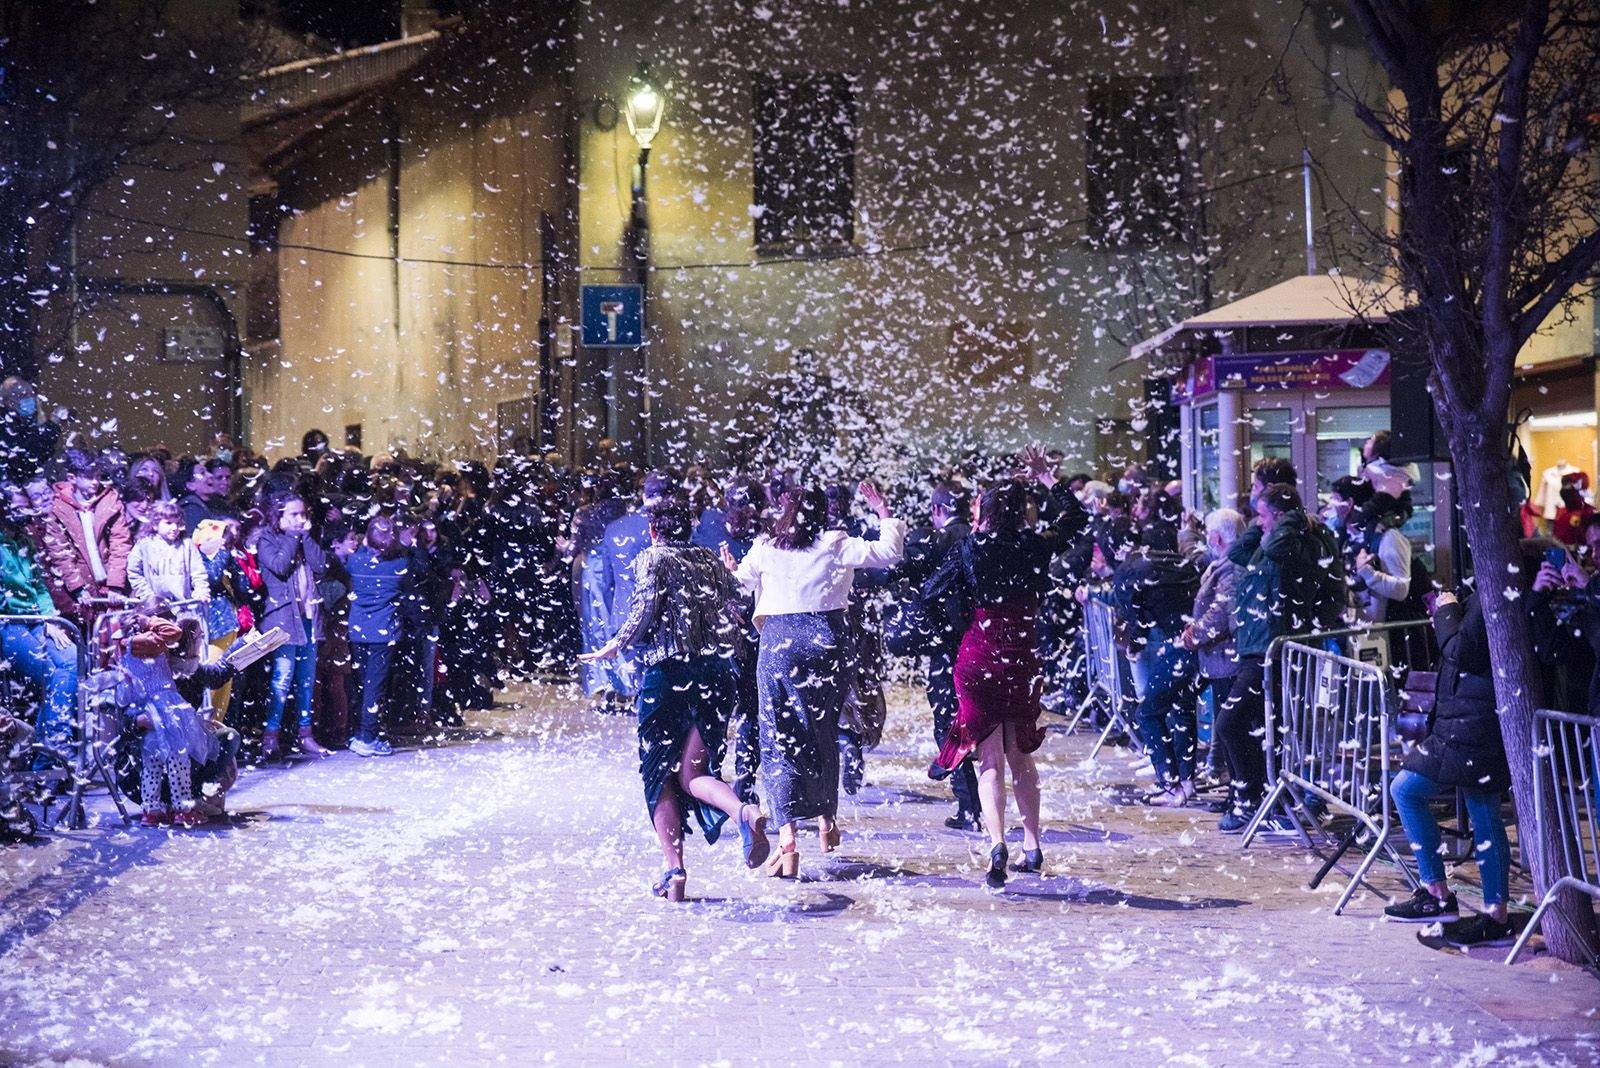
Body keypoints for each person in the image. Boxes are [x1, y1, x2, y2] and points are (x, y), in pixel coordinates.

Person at [581, 498, 769, 901]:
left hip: (670, 676)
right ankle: (744, 812)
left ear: (653, 530)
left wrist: (613, 646)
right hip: (718, 674)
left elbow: (643, 609)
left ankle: (674, 870)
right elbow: (736, 604)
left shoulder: (653, 559)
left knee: (657, 775)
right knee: (695, 774)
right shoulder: (709, 558)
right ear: (690, 527)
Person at [726, 480, 905, 878]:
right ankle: (827, 820)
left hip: (779, 645)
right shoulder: (835, 543)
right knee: (822, 732)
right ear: (823, 512)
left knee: (777, 738)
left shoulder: (767, 547)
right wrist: (884, 511)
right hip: (827, 642)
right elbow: (890, 552)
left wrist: (730, 568)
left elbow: (740, 583)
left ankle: (788, 841)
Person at [929, 447, 1087, 889]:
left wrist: (961, 619)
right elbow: (1076, 522)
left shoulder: (969, 547)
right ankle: (1032, 844)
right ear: (1022, 512)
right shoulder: (1035, 543)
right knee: (1021, 754)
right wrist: (1049, 480)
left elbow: (929, 592)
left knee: (990, 759)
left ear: (987, 512)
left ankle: (997, 842)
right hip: (1022, 654)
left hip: (979, 652)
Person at [1382, 586, 1514, 947]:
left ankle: (1495, 915)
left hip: (1478, 724)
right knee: (1405, 789)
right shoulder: (1486, 593)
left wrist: (1446, 611)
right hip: (1460, 724)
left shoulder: (1496, 594)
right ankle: (1438, 895)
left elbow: (1460, 649)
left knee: (1483, 811)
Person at [1217, 479, 1347, 832]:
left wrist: (1292, 518)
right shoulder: (1269, 540)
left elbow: (1276, 548)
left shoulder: (1294, 541)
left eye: (1262, 516)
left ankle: (1251, 799)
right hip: (1256, 647)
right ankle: (1261, 799)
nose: (1258, 523)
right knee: (1263, 729)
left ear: (1279, 515)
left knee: (1230, 725)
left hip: (1274, 650)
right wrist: (1263, 522)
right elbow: (1237, 554)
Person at [901, 481, 981, 829]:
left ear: (937, 510)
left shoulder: (938, 541)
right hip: (982, 642)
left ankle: (969, 806)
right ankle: (983, 804)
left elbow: (915, 582)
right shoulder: (979, 539)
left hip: (947, 644)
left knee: (947, 721)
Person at [1110, 525, 1202, 807]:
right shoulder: (1183, 565)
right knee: (1182, 708)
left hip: (1179, 645)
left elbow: (1136, 620)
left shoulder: (1130, 570)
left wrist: (1134, 648)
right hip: (1203, 645)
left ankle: (1171, 784)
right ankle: (1186, 782)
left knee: (1148, 711)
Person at [0, 494, 80, 755]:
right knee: (53, 672)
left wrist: (50, 620)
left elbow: (40, 586)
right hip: (8, 623)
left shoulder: (24, 540)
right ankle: (54, 748)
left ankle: (49, 751)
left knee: (69, 657)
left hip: (34, 620)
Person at [256, 494, 329, 760]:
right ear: (279, 516)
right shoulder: (267, 538)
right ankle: (270, 737)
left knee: (306, 681)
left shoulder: (303, 538)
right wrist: (294, 537)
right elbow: (280, 566)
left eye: (303, 514)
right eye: (294, 515)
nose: (301, 520)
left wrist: (306, 538)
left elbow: (321, 566)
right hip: (283, 620)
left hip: (309, 618)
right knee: (281, 680)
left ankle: (305, 735)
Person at [1179, 508, 1244, 790]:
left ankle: (1236, 786)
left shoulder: (1230, 566)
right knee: (1223, 723)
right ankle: (1227, 777)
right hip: (1219, 658)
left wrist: (1196, 633)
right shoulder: (1226, 562)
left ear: (1216, 538)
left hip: (1226, 658)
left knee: (1228, 725)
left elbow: (1221, 611)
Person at [598, 472, 677, 700]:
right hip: (660, 617)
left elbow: (607, 582)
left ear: (643, 496)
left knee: (640, 681)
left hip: (624, 615)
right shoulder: (670, 527)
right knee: (657, 686)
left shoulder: (614, 528)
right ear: (670, 496)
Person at [41, 449, 134, 617]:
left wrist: (116, 584)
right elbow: (60, 553)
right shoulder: (58, 507)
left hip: (113, 585)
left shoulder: (110, 500)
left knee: (117, 635)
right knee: (88, 635)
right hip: (82, 590)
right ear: (72, 478)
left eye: (98, 476)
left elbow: (121, 543)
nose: (95, 482)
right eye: (89, 477)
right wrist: (78, 588)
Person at [345, 514, 409, 757]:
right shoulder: (398, 565)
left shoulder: (355, 563)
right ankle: (368, 737)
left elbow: (353, 560)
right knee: (375, 687)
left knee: (361, 685)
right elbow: (412, 564)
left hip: (358, 631)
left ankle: (359, 732)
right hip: (384, 634)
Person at [127, 500, 209, 607]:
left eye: (177, 523)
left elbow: (198, 572)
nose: (174, 528)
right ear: (155, 525)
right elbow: (134, 571)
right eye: (169, 523)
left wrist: (201, 591)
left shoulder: (186, 545)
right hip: (155, 608)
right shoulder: (144, 545)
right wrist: (148, 596)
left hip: (183, 605)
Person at [0, 377, 60, 485]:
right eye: (22, 395)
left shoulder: (35, 421)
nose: (30, 398)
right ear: (8, 401)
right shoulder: (4, 431)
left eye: (31, 394)